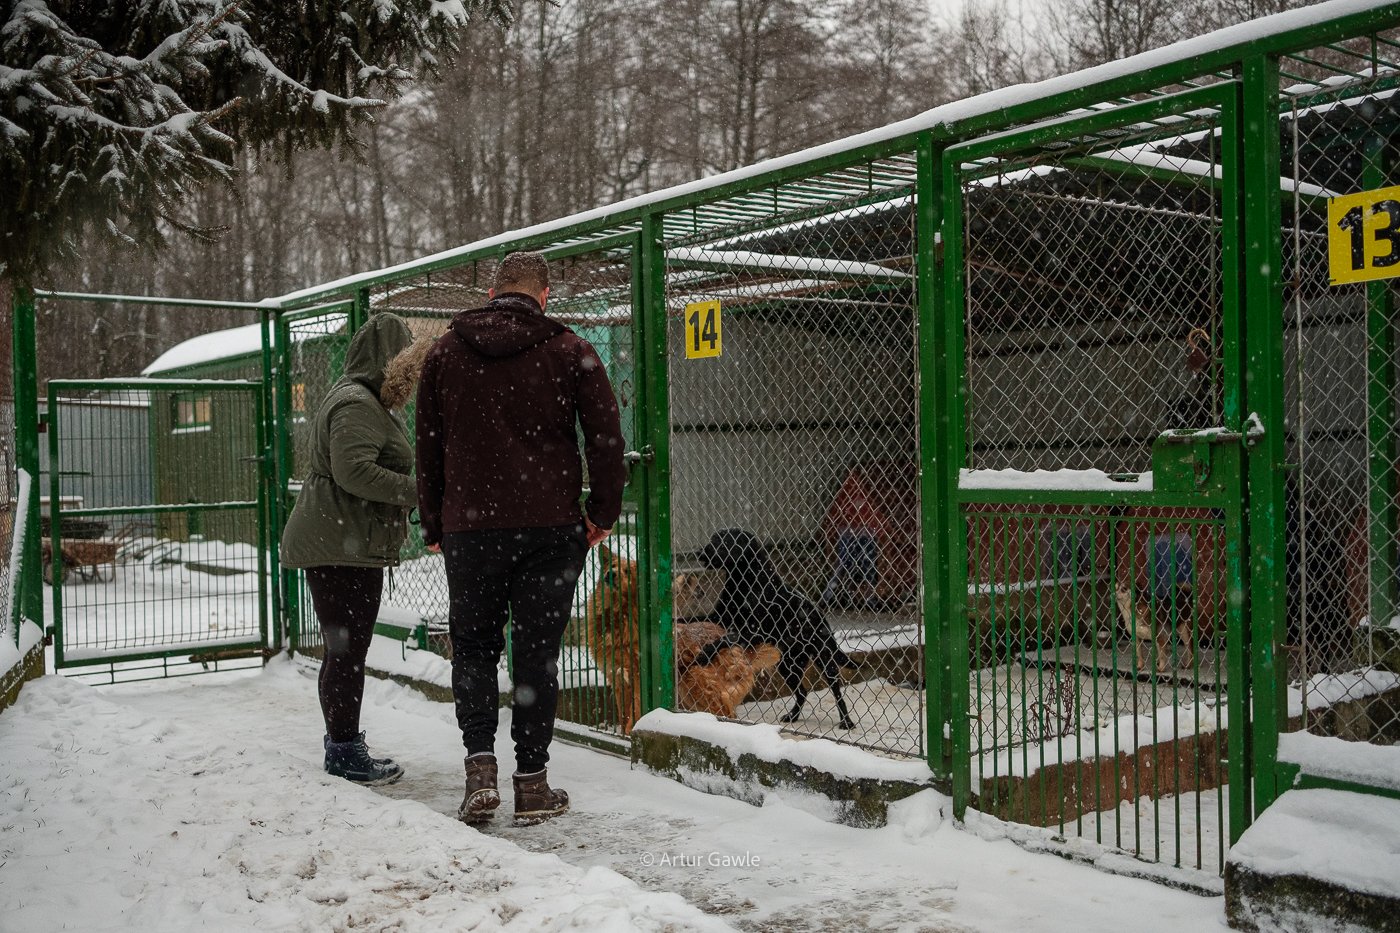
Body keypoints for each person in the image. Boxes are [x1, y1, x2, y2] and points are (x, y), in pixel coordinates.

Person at [416, 250, 626, 826]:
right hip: (550, 528)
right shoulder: (570, 349)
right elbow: (605, 438)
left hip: (471, 530)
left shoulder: (444, 353)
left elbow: (427, 447)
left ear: (491, 293)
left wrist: (434, 521)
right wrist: (601, 513)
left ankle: (480, 773)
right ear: (545, 294)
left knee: (476, 648)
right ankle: (532, 784)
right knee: (537, 655)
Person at [281, 312, 432, 785]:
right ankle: (344, 751)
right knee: (346, 652)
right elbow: (354, 472)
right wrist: (421, 491)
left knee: (343, 650)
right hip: (339, 545)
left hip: (346, 542)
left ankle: (342, 745)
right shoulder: (356, 404)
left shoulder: (365, 400)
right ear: (388, 359)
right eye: (405, 358)